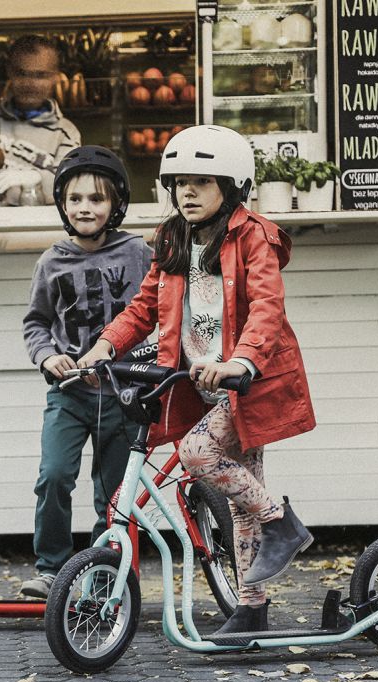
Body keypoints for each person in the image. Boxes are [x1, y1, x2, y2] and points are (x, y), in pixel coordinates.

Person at [77, 125, 317, 635]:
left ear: (231, 186)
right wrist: (105, 345)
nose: (187, 192)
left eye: (201, 182)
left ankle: (282, 523)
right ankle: (252, 608)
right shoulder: (173, 237)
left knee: (196, 453)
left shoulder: (254, 236)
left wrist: (240, 362)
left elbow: (267, 308)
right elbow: (144, 306)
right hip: (201, 384)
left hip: (247, 381)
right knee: (238, 502)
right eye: (180, 182)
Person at [20, 145, 152, 599]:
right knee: (54, 476)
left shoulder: (137, 253)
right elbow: (36, 322)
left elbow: (158, 308)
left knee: (113, 496)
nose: (85, 208)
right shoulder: (51, 261)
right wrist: (46, 357)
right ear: (62, 204)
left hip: (125, 395)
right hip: (70, 393)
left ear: (116, 204)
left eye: (96, 199)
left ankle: (103, 575)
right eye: (74, 199)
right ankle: (51, 569)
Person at [0, 34, 81, 208]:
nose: (30, 83)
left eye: (40, 75)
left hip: (38, 225)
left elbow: (71, 190)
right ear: (9, 72)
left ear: (55, 76)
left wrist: (36, 178)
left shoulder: (66, 132)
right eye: (21, 73)